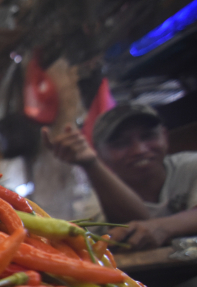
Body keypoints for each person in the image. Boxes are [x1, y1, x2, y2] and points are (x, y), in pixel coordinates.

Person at [43, 103, 197, 251]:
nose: (139, 150)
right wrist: (90, 163)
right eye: (121, 143)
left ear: (164, 136)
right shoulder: (95, 206)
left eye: (148, 136)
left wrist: (163, 227)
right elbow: (132, 225)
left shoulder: (191, 166)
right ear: (100, 152)